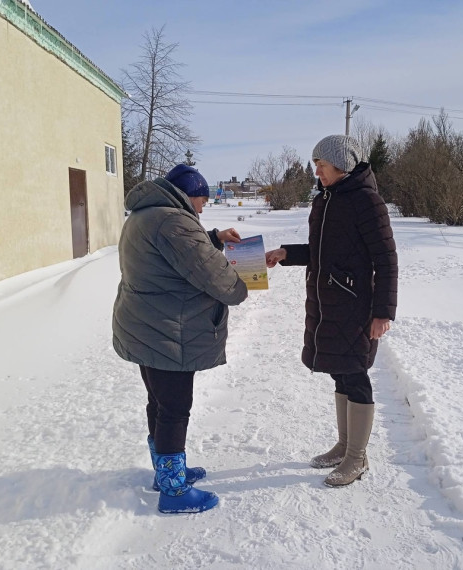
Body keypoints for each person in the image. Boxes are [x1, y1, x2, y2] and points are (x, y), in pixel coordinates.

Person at [113, 164, 248, 513]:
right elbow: (210, 272)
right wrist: (242, 282)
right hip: (168, 330)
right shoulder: (173, 221)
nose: (202, 208)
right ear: (190, 194)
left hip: (146, 325)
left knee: (158, 403)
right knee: (174, 408)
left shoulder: (146, 215)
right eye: (202, 201)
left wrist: (215, 238)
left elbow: (175, 255)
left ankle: (165, 471)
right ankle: (173, 491)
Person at [265, 135, 398, 487]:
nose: (317, 172)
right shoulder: (326, 200)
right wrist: (286, 254)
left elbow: (386, 260)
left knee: (355, 374)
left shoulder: (367, 202)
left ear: (342, 164)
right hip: (328, 304)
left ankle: (357, 458)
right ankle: (344, 446)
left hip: (355, 306)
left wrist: (382, 312)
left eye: (321, 165)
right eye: (315, 165)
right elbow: (322, 250)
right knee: (340, 371)